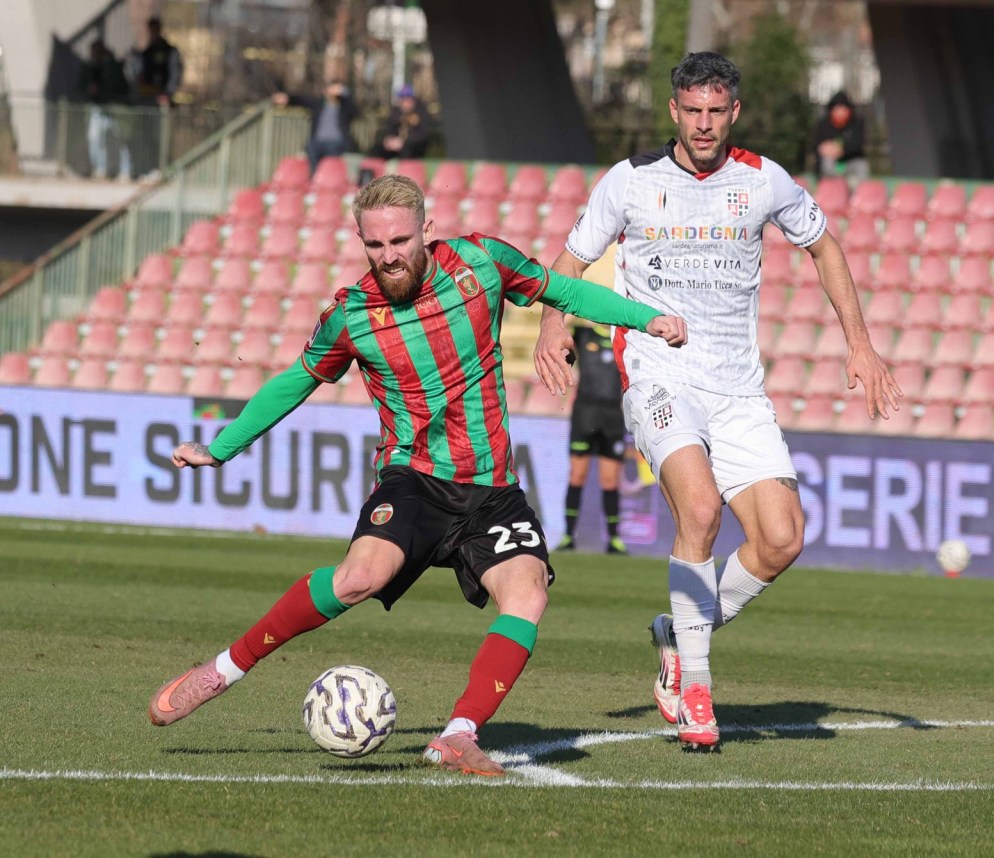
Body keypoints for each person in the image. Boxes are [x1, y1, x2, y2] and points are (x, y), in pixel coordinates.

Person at [147, 174, 687, 777]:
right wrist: (221, 449)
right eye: (375, 246)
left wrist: (646, 318)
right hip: (415, 478)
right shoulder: (352, 315)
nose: (389, 257)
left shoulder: (482, 262)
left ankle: (459, 733)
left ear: (426, 230)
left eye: (400, 241)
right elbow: (295, 382)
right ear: (360, 240)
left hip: (492, 488)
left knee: (528, 591)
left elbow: (565, 292)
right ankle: (222, 670)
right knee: (359, 578)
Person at [533, 52, 902, 751]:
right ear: (674, 111)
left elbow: (825, 248)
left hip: (738, 389)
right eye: (692, 111)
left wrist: (861, 343)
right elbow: (572, 261)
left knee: (782, 538)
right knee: (698, 510)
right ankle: (695, 689)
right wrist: (553, 323)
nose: (703, 124)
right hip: (659, 373)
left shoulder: (764, 181)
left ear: (734, 112)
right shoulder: (631, 182)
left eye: (716, 112)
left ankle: (678, 632)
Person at [555, 322, 630, 555]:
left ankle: (614, 539)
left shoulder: (623, 337)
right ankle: (568, 536)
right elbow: (561, 336)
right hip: (585, 414)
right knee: (577, 476)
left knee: (610, 480)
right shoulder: (583, 333)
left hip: (613, 416)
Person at [129, 16, 182, 177]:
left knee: (160, 136)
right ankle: (147, 167)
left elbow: (175, 74)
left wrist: (168, 94)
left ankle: (162, 169)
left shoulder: (169, 51)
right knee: (145, 136)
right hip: (147, 100)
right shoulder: (147, 52)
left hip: (161, 102)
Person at [273, 80, 360, 175]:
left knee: (330, 159)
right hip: (317, 141)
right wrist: (288, 99)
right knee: (311, 149)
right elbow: (302, 100)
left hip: (336, 142)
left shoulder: (344, 108)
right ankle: (314, 180)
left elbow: (355, 112)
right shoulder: (319, 104)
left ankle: (328, 178)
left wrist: (345, 94)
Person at [79, 39, 133, 180]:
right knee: (95, 139)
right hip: (98, 109)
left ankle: (125, 171)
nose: (94, 55)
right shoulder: (90, 67)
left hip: (116, 110)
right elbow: (81, 85)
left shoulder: (112, 66)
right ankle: (100, 169)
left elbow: (118, 86)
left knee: (122, 140)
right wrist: (90, 91)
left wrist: (102, 91)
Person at [813, 90, 869, 184]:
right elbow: (816, 145)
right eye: (837, 109)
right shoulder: (823, 125)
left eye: (844, 109)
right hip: (831, 164)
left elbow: (859, 144)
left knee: (861, 165)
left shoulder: (856, 124)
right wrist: (823, 148)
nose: (840, 112)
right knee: (826, 162)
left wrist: (840, 149)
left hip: (850, 162)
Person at [372, 84, 430, 159]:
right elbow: (389, 127)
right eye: (402, 99)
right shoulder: (396, 111)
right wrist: (388, 139)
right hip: (395, 144)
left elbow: (422, 134)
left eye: (407, 99)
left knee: (406, 151)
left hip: (413, 146)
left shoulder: (421, 111)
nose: (404, 102)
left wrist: (403, 142)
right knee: (376, 150)